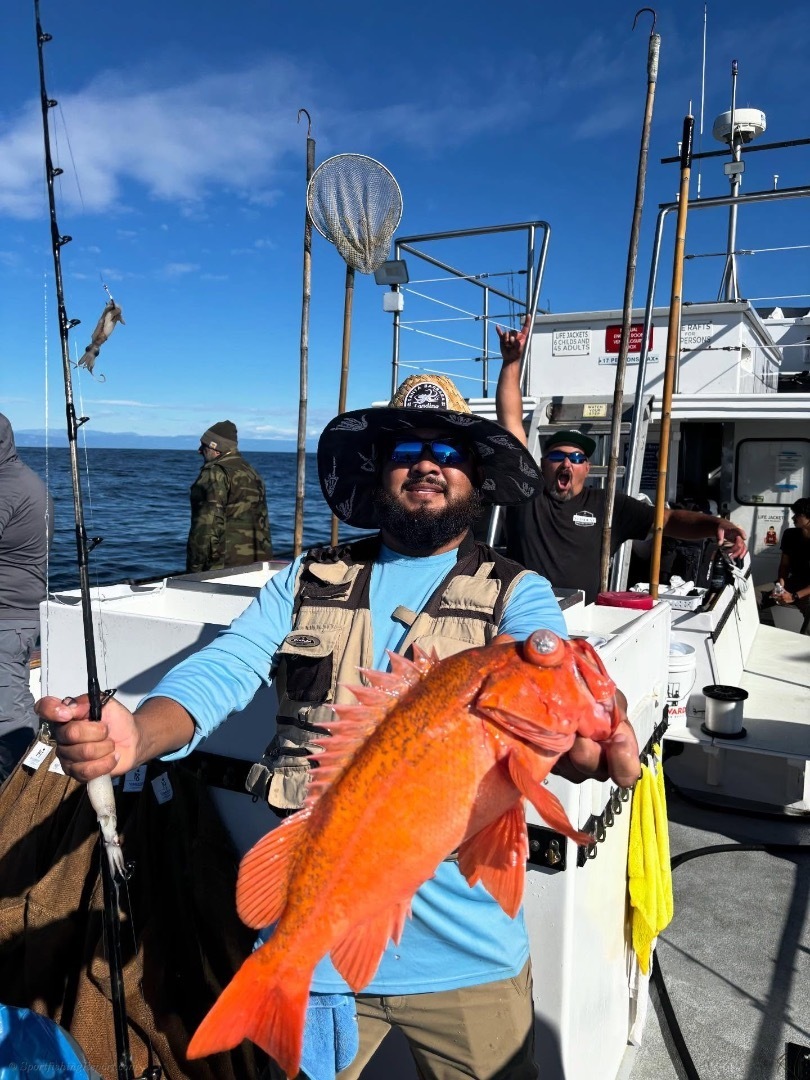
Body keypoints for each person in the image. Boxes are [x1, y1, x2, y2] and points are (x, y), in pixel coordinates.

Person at [37, 374, 641, 1080]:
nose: (427, 464)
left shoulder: (519, 592)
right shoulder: (307, 577)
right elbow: (228, 666)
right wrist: (138, 735)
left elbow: (547, 684)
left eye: (449, 452)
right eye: (407, 450)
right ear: (379, 469)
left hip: (470, 956)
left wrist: (597, 736)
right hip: (316, 958)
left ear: (475, 475)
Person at [495, 317, 748, 603]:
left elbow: (669, 519)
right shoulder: (525, 493)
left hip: (582, 617)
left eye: (576, 458)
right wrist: (511, 363)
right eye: (557, 456)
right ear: (543, 464)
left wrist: (716, 525)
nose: (567, 464)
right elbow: (511, 422)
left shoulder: (607, 505)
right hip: (521, 614)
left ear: (587, 468)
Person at [0, 414, 53, 782]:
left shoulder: (7, 486)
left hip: (7, 619)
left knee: (8, 718)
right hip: (20, 615)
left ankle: (21, 793)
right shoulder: (26, 480)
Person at [187, 420, 272, 573]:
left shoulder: (215, 473)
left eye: (204, 446)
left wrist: (195, 570)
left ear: (216, 449)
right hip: (258, 565)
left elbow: (207, 527)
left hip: (223, 568)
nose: (199, 451)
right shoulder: (252, 472)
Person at [766, 497, 810, 634]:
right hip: (793, 582)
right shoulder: (790, 534)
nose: (793, 517)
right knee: (753, 596)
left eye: (798, 514)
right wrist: (781, 586)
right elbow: (784, 565)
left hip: (807, 590)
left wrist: (794, 596)